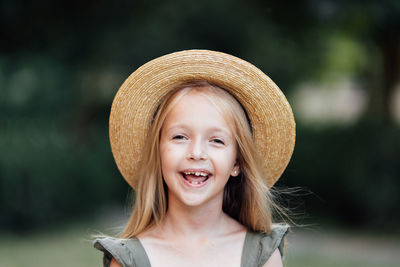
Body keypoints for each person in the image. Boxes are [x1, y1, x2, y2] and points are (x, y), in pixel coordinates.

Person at [93, 50, 296, 267]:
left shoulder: (261, 254)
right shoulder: (129, 259)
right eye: (180, 137)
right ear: (159, 153)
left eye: (216, 140)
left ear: (237, 163)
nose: (196, 153)